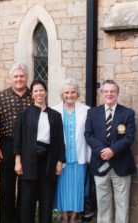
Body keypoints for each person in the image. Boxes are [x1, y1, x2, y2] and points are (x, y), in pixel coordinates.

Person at [14, 80, 66, 223]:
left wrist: (60, 161)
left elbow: (60, 140)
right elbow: (17, 139)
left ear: (46, 92)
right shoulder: (24, 114)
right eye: (35, 91)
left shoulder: (55, 115)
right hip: (29, 160)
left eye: (41, 90)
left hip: (48, 160)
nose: (39, 93)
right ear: (31, 94)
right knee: (27, 199)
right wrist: (18, 162)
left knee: (46, 198)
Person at [85, 80, 136, 223]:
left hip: (122, 164)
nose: (109, 94)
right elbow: (88, 135)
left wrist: (113, 150)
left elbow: (129, 137)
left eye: (112, 91)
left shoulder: (128, 113)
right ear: (101, 93)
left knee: (122, 203)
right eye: (106, 91)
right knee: (103, 203)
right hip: (100, 163)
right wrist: (103, 150)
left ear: (118, 94)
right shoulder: (92, 113)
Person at [0, 62, 32, 223]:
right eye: (16, 76)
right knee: (6, 187)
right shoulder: (1, 97)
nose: (19, 79)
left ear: (26, 77)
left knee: (25, 187)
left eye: (22, 76)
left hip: (28, 147)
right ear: (10, 78)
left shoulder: (34, 96)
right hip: (6, 144)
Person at [53, 78, 90, 223]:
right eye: (66, 92)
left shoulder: (86, 110)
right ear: (62, 94)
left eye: (73, 92)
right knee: (62, 187)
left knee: (78, 188)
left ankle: (74, 216)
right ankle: (64, 216)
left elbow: (89, 134)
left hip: (80, 155)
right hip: (61, 157)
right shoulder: (54, 110)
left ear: (78, 94)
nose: (70, 95)